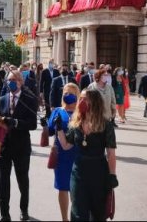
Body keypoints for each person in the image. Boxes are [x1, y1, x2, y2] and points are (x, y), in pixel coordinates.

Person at [57, 89, 118, 221]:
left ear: (94, 102)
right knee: (78, 212)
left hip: (99, 173)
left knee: (98, 214)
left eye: (85, 99)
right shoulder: (75, 123)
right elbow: (66, 145)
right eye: (81, 99)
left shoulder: (105, 124)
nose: (81, 102)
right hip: (79, 173)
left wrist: (112, 175)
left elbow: (111, 153)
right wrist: (59, 129)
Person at [0, 70, 38, 221]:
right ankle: (4, 213)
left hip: (21, 147)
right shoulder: (1, 100)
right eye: (8, 80)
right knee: (3, 180)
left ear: (21, 82)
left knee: (22, 180)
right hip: (4, 146)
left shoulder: (29, 99)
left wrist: (16, 122)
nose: (10, 82)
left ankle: (24, 209)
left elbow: (33, 124)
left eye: (14, 79)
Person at [47, 83, 80, 221]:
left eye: (72, 93)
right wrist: (49, 123)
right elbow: (49, 132)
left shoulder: (82, 112)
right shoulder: (57, 111)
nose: (69, 95)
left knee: (77, 189)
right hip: (61, 155)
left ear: (77, 95)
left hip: (78, 154)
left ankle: (76, 216)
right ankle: (64, 219)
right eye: (66, 93)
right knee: (63, 187)